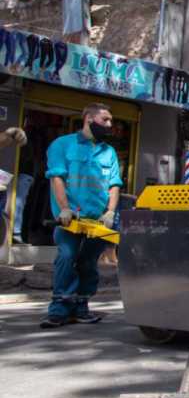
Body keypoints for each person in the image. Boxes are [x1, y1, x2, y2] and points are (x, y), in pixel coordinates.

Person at [39, 103, 122, 328]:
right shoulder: (62, 145)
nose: (109, 125)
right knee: (66, 257)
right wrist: (64, 208)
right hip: (70, 219)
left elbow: (114, 184)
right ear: (88, 118)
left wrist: (111, 211)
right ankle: (59, 309)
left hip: (98, 221)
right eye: (105, 120)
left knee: (88, 262)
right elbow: (57, 177)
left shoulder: (109, 152)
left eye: (110, 121)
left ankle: (80, 307)